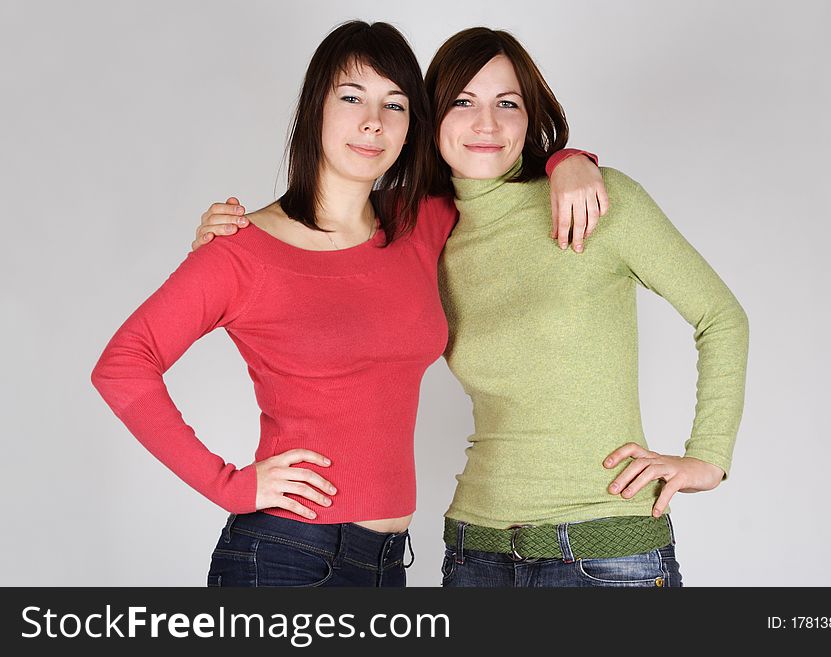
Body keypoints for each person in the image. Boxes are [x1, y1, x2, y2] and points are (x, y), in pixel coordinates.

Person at [196, 27, 749, 588]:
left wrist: (707, 457)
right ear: (429, 120)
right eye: (462, 102)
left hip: (607, 550)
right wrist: (232, 237)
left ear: (530, 116)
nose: (485, 123)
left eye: (506, 103)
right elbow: (318, 238)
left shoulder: (598, 202)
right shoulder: (417, 230)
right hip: (475, 552)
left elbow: (721, 317)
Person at [91, 21, 606, 587]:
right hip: (285, 556)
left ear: (412, 128)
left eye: (396, 105)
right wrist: (230, 486)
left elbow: (496, 166)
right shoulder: (241, 249)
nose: (373, 122)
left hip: (388, 564)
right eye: (352, 97)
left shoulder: (419, 222)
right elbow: (122, 366)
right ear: (316, 108)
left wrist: (570, 161)